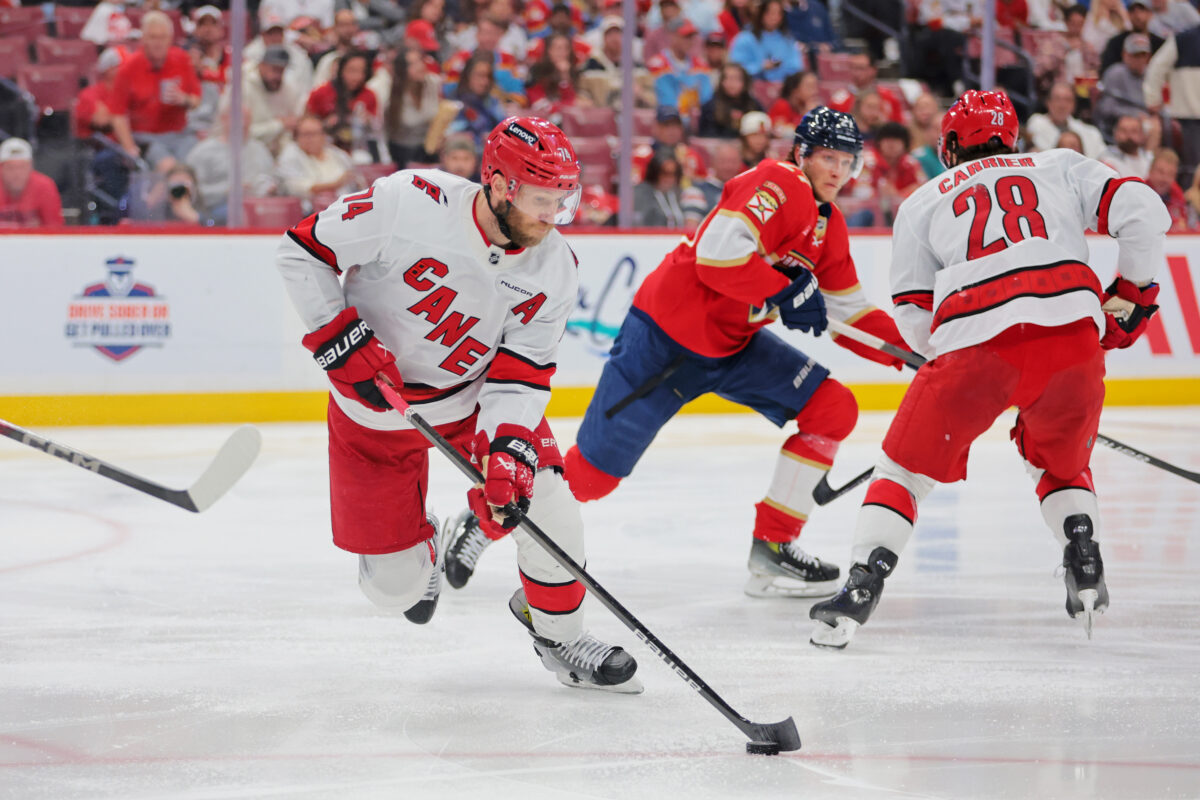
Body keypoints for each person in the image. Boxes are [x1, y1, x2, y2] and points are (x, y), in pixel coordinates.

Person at [444, 108, 909, 597]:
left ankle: (773, 547)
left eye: (848, 162)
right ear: (800, 153)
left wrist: (916, 354)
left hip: (734, 347)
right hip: (663, 343)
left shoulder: (828, 225)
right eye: (828, 158)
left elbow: (851, 313)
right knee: (593, 478)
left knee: (833, 407)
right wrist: (782, 290)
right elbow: (716, 256)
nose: (837, 171)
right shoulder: (778, 182)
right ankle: (484, 521)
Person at [275, 116, 642, 693]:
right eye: (542, 201)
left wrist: (507, 451)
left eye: (562, 203)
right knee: (393, 589)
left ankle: (559, 635)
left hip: (471, 401)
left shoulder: (556, 268)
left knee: (545, 500)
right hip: (372, 413)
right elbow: (302, 251)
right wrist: (336, 335)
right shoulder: (410, 201)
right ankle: (421, 550)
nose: (553, 218)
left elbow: (521, 374)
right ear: (499, 186)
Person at [807, 90, 1171, 650]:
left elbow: (912, 310)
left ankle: (862, 586)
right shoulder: (1059, 165)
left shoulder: (924, 200)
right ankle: (1085, 558)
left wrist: (943, 360)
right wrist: (1133, 292)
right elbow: (1144, 210)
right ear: (1012, 137)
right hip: (1073, 343)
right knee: (1061, 466)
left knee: (903, 472)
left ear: (950, 144)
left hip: (976, 349)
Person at [110, 11, 203, 168]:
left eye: (162, 37)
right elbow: (118, 115)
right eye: (153, 37)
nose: (158, 43)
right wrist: (129, 148)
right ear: (143, 39)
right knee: (169, 167)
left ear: (170, 39)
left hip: (180, 134)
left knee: (196, 164)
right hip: (146, 137)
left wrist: (183, 99)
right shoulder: (128, 68)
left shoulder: (182, 59)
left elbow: (196, 100)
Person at [278, 114, 357, 208]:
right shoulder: (291, 154)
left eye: (315, 134)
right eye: (306, 134)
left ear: (323, 135)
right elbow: (297, 188)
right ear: (296, 137)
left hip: (346, 207)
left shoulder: (336, 153)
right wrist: (336, 184)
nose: (310, 139)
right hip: (309, 213)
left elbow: (354, 175)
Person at [728, 0, 803, 82]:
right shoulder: (745, 38)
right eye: (770, 12)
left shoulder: (787, 39)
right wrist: (760, 67)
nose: (774, 17)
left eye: (778, 13)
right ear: (761, 13)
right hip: (751, 86)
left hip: (783, 87)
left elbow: (796, 67)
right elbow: (735, 69)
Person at [1026, 81, 1106, 158]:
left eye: (1067, 100)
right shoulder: (1037, 122)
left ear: (1074, 105)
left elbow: (1102, 156)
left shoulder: (1090, 131)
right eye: (1057, 99)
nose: (1062, 105)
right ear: (1048, 102)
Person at [0, 138, 64, 227]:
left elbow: (55, 229)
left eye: (22, 167)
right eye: (11, 168)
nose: (17, 174)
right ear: (1, 169)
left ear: (30, 167)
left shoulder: (44, 186)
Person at [697, 63, 762, 138]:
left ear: (745, 82)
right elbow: (706, 136)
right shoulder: (710, 106)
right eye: (727, 78)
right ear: (721, 82)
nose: (731, 83)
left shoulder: (753, 105)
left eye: (736, 79)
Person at [632, 152, 686, 227]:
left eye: (675, 173)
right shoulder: (641, 193)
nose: (670, 178)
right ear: (655, 172)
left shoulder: (679, 194)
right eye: (665, 173)